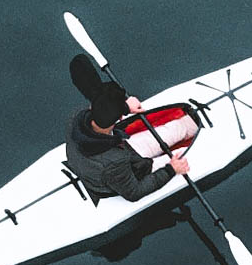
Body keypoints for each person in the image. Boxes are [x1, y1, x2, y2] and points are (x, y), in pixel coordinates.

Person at [64, 80, 196, 202]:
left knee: (177, 128)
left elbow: (101, 106)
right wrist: (171, 170)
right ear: (120, 117)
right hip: (134, 172)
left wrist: (125, 107)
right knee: (187, 154)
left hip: (124, 152)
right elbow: (134, 193)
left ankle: (192, 124)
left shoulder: (76, 119)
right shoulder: (114, 163)